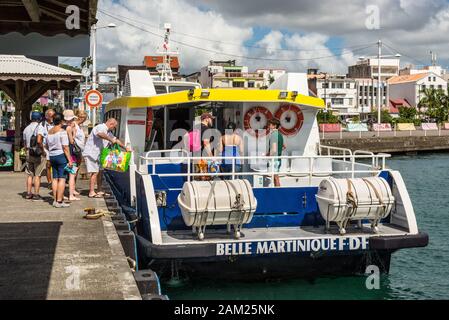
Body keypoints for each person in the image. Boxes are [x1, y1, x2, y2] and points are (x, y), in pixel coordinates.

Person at [82, 118, 131, 198]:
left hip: (100, 155)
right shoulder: (101, 127)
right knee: (94, 172)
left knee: (100, 172)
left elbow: (115, 140)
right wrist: (110, 139)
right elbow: (100, 134)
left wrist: (125, 148)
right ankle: (91, 192)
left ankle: (99, 190)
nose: (114, 128)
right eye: (114, 127)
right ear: (111, 124)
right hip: (92, 154)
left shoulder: (108, 131)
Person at [46, 113, 72, 208]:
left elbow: (46, 145)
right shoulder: (62, 131)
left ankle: (55, 200)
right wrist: (70, 160)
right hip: (61, 155)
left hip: (52, 156)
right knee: (62, 178)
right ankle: (59, 201)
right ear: (61, 121)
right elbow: (65, 147)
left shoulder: (49, 131)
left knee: (55, 178)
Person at [22, 111, 46, 201]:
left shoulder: (26, 128)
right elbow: (39, 141)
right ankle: (36, 194)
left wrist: (26, 150)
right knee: (37, 175)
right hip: (37, 153)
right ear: (40, 118)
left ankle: (28, 193)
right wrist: (43, 151)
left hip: (28, 152)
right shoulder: (40, 127)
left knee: (29, 174)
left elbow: (24, 143)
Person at [66, 110, 87, 201]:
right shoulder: (74, 124)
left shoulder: (79, 126)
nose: (84, 120)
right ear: (79, 117)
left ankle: (73, 188)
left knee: (76, 170)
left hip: (78, 150)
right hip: (75, 151)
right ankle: (71, 189)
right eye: (83, 118)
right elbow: (69, 135)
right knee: (73, 171)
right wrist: (73, 137)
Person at [39, 109, 55, 188]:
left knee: (55, 164)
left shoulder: (56, 123)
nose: (52, 117)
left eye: (53, 115)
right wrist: (43, 149)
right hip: (46, 147)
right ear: (46, 116)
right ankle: (49, 182)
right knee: (48, 165)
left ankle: (56, 181)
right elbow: (39, 138)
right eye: (50, 115)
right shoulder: (42, 125)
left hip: (55, 147)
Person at [267, 118, 285, 187]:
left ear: (274, 126)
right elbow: (284, 146)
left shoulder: (274, 135)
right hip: (278, 158)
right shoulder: (280, 134)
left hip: (274, 159)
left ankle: (278, 192)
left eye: (270, 124)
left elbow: (274, 149)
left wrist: (268, 156)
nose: (269, 125)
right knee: (275, 177)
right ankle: (277, 190)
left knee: (276, 177)